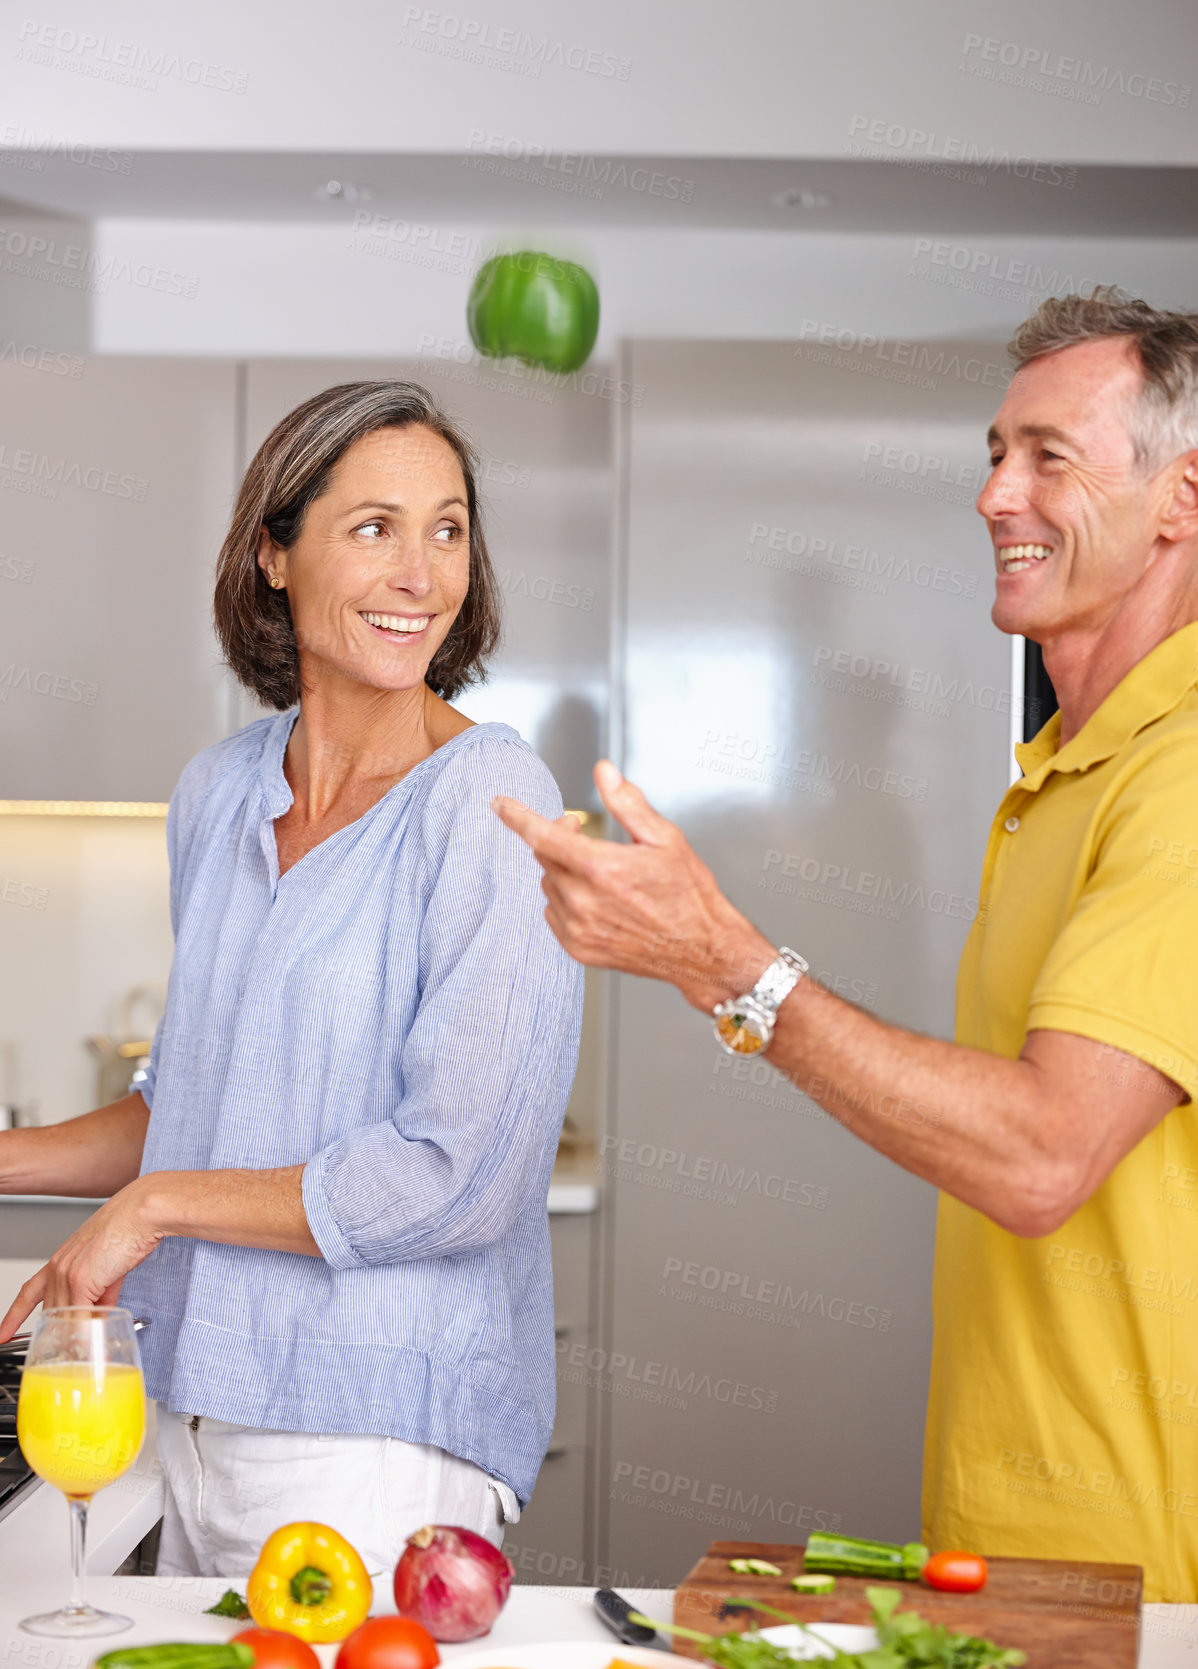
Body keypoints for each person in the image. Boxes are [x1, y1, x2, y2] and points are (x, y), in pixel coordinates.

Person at [495, 289, 1198, 1602]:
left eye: (1047, 455)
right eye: (994, 453)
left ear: (1180, 499)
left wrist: (722, 959)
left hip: (1143, 1570)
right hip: (1026, 1521)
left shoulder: (1184, 776)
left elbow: (1044, 1153)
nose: (995, 494)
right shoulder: (1060, 770)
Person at [0, 381, 583, 1577]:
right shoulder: (218, 794)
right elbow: (189, 1116)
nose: (421, 572)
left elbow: (460, 1175)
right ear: (274, 551)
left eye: (448, 527)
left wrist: (150, 1210)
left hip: (375, 1429)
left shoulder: (491, 801)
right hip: (192, 1410)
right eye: (373, 527)